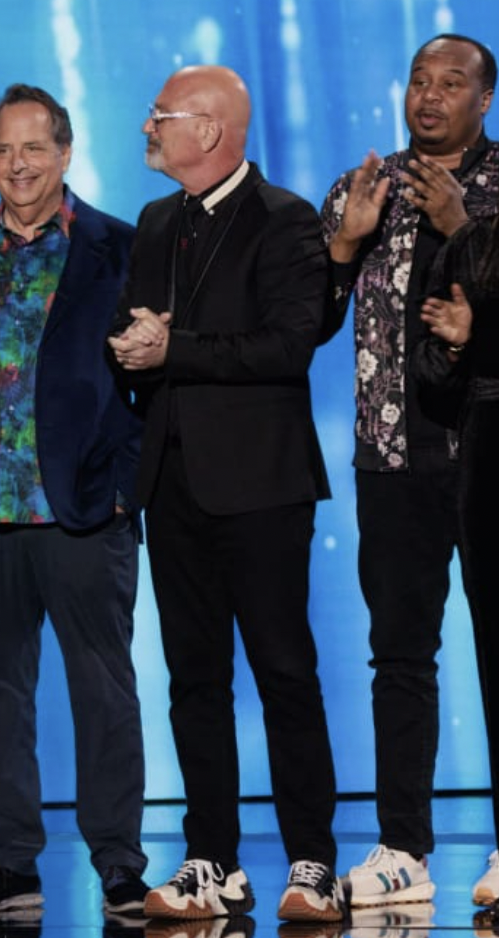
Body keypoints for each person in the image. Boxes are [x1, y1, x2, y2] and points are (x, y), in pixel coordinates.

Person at [107, 65, 340, 923]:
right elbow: (137, 334)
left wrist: (174, 349)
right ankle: (213, 860)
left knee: (285, 672)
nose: (147, 127)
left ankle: (313, 858)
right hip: (173, 485)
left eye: (160, 115)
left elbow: (287, 346)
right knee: (194, 682)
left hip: (261, 485)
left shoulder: (285, 219)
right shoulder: (155, 221)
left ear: (207, 130)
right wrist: (131, 348)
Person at [0, 84, 148, 919]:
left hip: (86, 509)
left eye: (33, 147)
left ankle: (120, 862)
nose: (18, 165)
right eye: (3, 149)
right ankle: (11, 864)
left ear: (64, 152)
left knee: (104, 691)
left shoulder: (118, 247)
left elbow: (153, 378)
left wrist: (126, 487)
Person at [318, 32, 499, 908]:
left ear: (484, 100)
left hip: (487, 451)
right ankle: (403, 850)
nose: (428, 96)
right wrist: (344, 247)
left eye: (451, 83)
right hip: (390, 456)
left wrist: (465, 228)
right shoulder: (365, 187)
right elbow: (310, 320)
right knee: (398, 655)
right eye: (419, 80)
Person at [416, 215, 499, 911]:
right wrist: (452, 347)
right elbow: (432, 384)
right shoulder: (473, 246)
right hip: (491, 474)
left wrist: (483, 334)